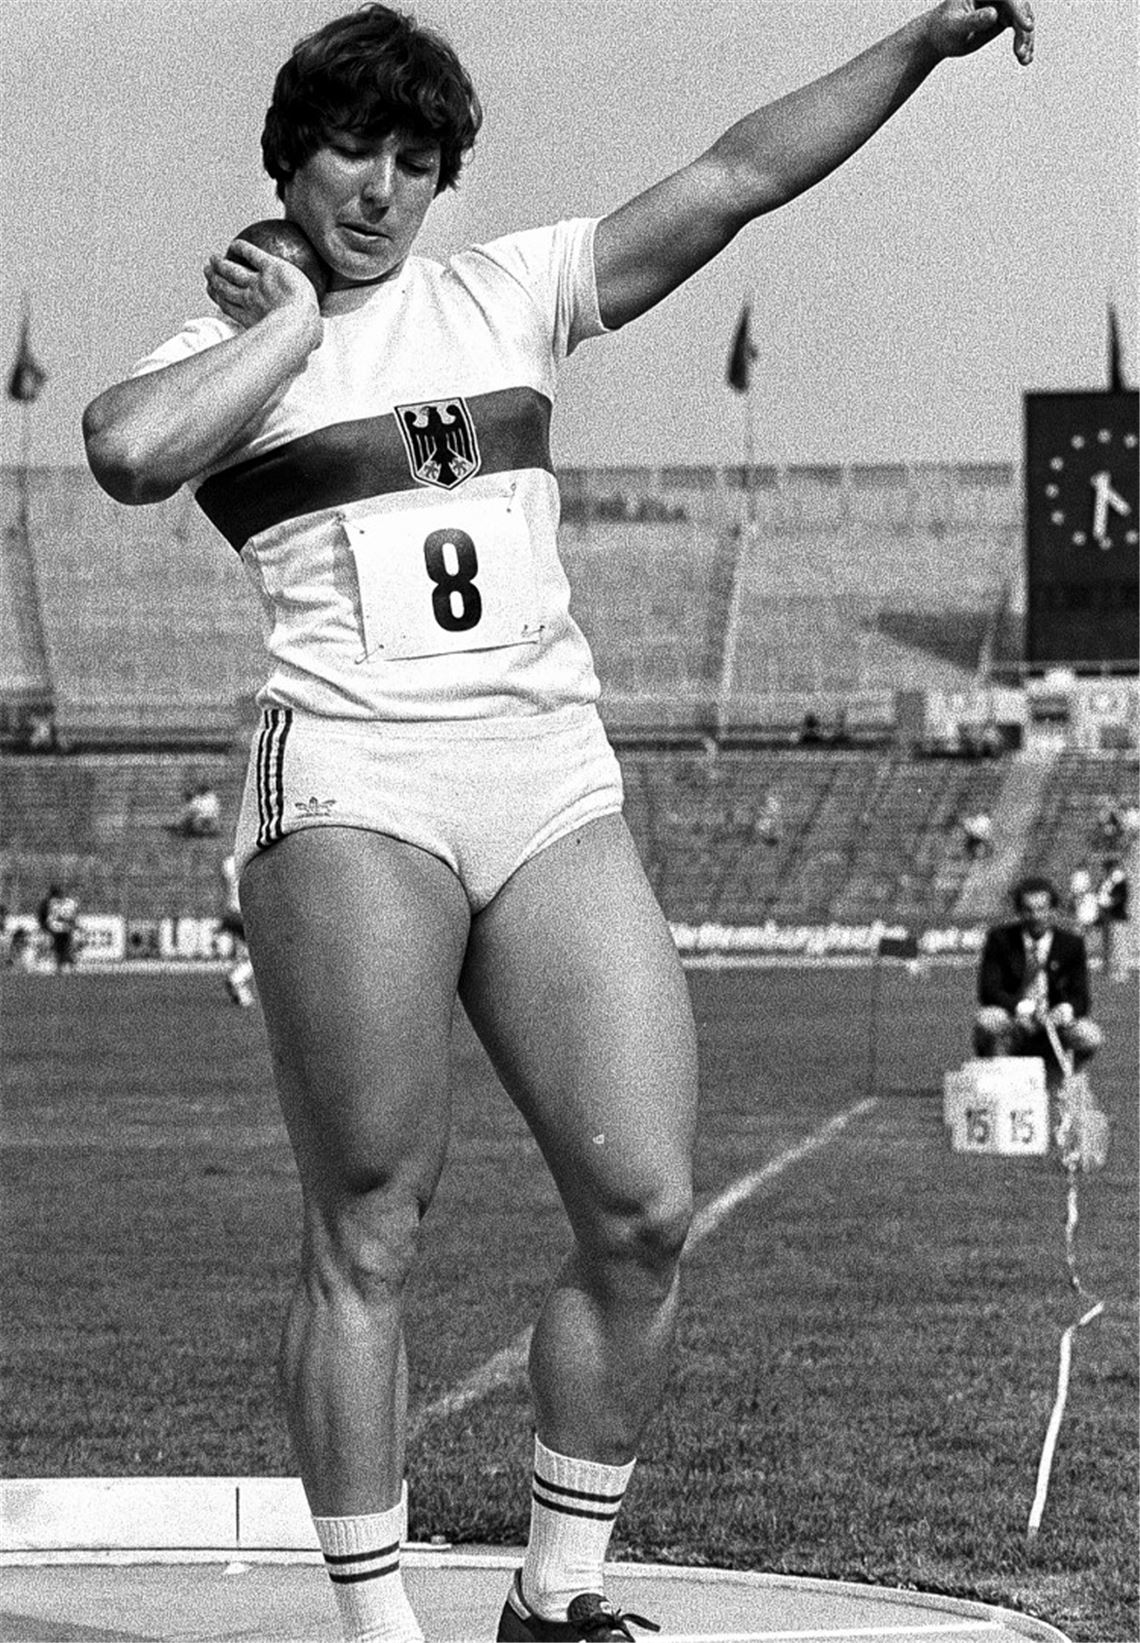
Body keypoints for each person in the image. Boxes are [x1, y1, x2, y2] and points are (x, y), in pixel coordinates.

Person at [81, 3, 1034, 1638]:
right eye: (350, 150)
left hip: (546, 776)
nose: (380, 188)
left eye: (414, 159)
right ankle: (379, 1622)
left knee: (646, 1204)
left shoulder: (507, 292)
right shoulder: (228, 351)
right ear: (289, 159)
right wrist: (291, 324)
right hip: (356, 780)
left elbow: (735, 178)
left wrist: (921, 43)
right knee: (372, 1216)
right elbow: (123, 447)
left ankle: (558, 1589)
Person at [974, 875, 1102, 1075]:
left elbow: (1081, 998)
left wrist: (1066, 1009)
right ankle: (1000, 1075)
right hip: (1015, 1020)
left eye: (1042, 908)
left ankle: (1061, 1078)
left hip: (1054, 1023)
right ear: (1019, 911)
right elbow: (988, 990)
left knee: (1089, 1035)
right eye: (1028, 909)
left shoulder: (1071, 944)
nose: (1036, 916)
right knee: (988, 1020)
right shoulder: (1000, 940)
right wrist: (1020, 1007)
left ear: (1053, 910)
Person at [219, 853, 255, 1007]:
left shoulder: (228, 862)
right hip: (243, 914)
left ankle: (242, 994)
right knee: (259, 955)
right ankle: (236, 979)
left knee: (246, 953)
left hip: (230, 912)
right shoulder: (252, 863)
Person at [36, 884, 80, 974]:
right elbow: (72, 917)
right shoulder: (67, 902)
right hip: (64, 930)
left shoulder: (47, 903)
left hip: (54, 930)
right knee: (64, 950)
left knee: (58, 951)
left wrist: (44, 927)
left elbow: (42, 917)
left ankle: (59, 967)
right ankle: (65, 967)